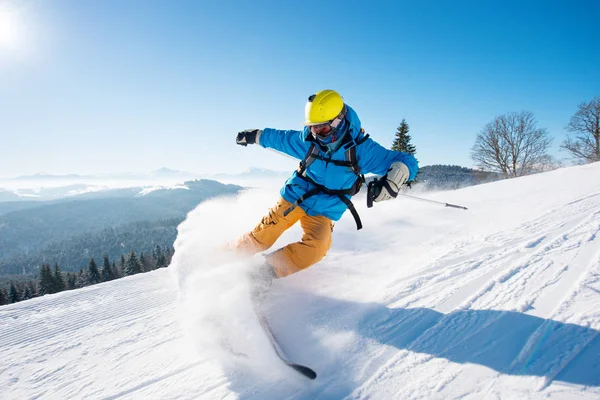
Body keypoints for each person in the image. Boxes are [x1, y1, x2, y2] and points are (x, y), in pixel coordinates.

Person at [234, 89, 418, 290]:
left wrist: (394, 178)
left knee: (318, 247)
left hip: (326, 208)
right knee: (262, 237)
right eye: (313, 128)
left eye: (323, 129)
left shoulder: (361, 150)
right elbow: (279, 138)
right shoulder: (308, 141)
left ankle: (261, 274)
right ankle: (222, 259)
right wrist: (254, 136)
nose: (317, 134)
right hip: (296, 196)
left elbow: (406, 161)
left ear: (338, 121)